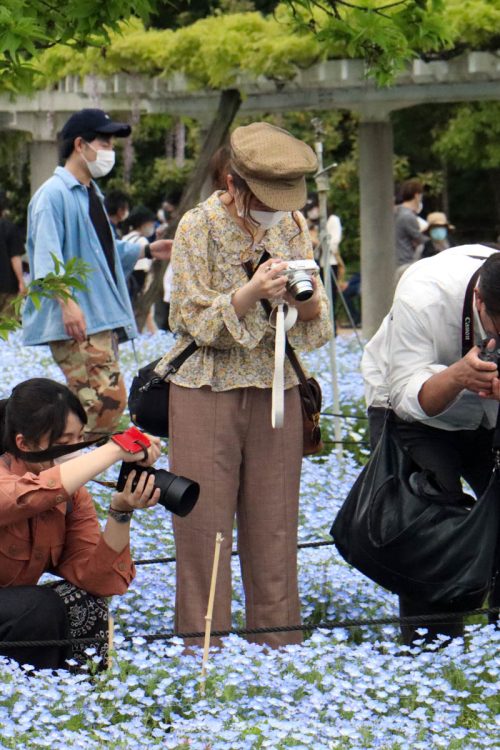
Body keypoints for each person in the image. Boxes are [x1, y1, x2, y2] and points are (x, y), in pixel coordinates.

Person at [155, 121, 332, 648]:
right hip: (206, 387)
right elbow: (188, 318)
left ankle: (277, 652)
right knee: (202, 527)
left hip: (275, 383)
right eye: (267, 199)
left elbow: (314, 321)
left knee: (275, 527)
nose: (278, 210)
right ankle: (202, 653)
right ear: (235, 184)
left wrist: (306, 300)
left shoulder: (294, 225)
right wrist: (251, 292)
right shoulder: (198, 226)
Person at [361, 244, 500, 645]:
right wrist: (458, 376)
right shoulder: (424, 292)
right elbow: (408, 396)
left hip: (490, 415)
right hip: (414, 408)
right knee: (428, 523)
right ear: (479, 300)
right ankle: (432, 650)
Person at [22, 109, 171, 438]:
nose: (110, 150)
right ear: (80, 144)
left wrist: (147, 250)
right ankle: (57, 469)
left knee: (89, 405)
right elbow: (47, 258)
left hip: (98, 318)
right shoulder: (53, 195)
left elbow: (103, 253)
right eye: (104, 142)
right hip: (78, 319)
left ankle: (58, 473)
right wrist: (67, 303)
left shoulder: (91, 194)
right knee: (105, 403)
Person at [0, 377, 162, 671]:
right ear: (23, 443)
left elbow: (97, 580)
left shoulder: (73, 495)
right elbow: (26, 497)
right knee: (39, 608)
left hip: (12, 613)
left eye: (79, 438)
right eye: (64, 443)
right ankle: (31, 694)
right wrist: (114, 449)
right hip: (16, 611)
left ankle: (79, 699)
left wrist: (120, 510)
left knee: (85, 602)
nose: (76, 451)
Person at [122, 205, 158, 334]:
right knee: (147, 324)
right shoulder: (142, 241)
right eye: (151, 222)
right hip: (138, 291)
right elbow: (141, 272)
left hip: (125, 292)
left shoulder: (125, 239)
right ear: (143, 223)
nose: (153, 225)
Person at [0, 193, 25, 317]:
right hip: (8, 288)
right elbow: (15, 258)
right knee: (7, 330)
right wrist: (21, 281)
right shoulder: (9, 227)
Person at [394, 179, 427, 275]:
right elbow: (420, 239)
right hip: (406, 263)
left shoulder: (397, 212)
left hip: (396, 261)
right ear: (417, 195)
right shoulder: (408, 216)